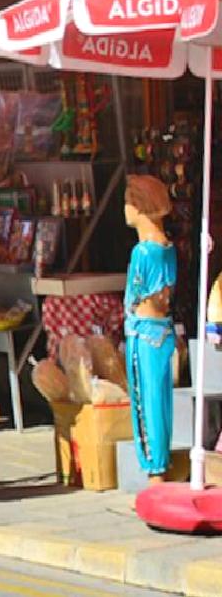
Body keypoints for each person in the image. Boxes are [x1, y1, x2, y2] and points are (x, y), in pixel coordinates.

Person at [124, 174, 179, 483]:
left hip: (143, 331)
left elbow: (135, 293)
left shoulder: (143, 252)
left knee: (145, 403)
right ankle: (161, 463)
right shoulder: (167, 248)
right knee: (160, 401)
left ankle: (154, 469)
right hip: (163, 330)